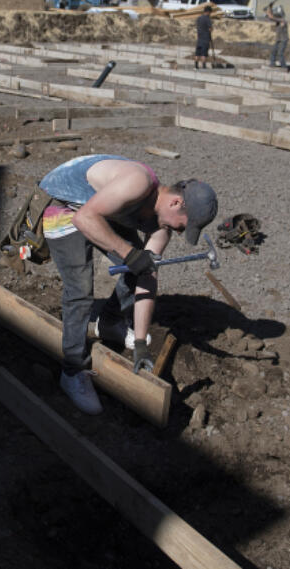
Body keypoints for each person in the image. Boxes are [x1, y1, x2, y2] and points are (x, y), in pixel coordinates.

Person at [38, 155, 218, 414]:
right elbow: (84, 219)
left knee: (141, 264)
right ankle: (72, 371)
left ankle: (110, 322)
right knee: (79, 291)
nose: (179, 232)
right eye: (183, 226)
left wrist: (143, 341)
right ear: (176, 202)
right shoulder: (137, 183)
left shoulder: (161, 228)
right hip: (65, 204)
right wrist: (130, 255)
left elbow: (147, 276)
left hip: (97, 207)